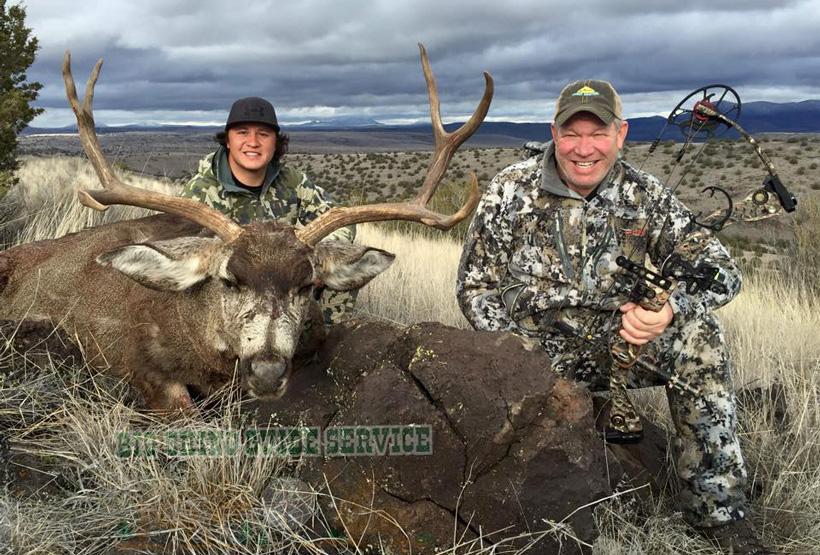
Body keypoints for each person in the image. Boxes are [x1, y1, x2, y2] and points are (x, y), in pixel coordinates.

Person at [456, 80, 767, 553]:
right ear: (553, 133)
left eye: (597, 133)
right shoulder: (509, 191)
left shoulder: (647, 195)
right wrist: (516, 353)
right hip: (528, 353)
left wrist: (666, 312)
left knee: (700, 336)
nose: (584, 149)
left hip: (617, 348)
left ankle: (718, 516)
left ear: (620, 135)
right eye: (571, 134)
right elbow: (475, 288)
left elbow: (722, 273)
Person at [180, 96, 355, 324]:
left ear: (275, 143)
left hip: (287, 281)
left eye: (263, 134)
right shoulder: (200, 192)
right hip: (236, 288)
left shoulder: (294, 181)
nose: (253, 142)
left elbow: (340, 222)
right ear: (228, 141)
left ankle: (324, 347)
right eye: (242, 132)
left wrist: (316, 264)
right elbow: (188, 252)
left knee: (345, 272)